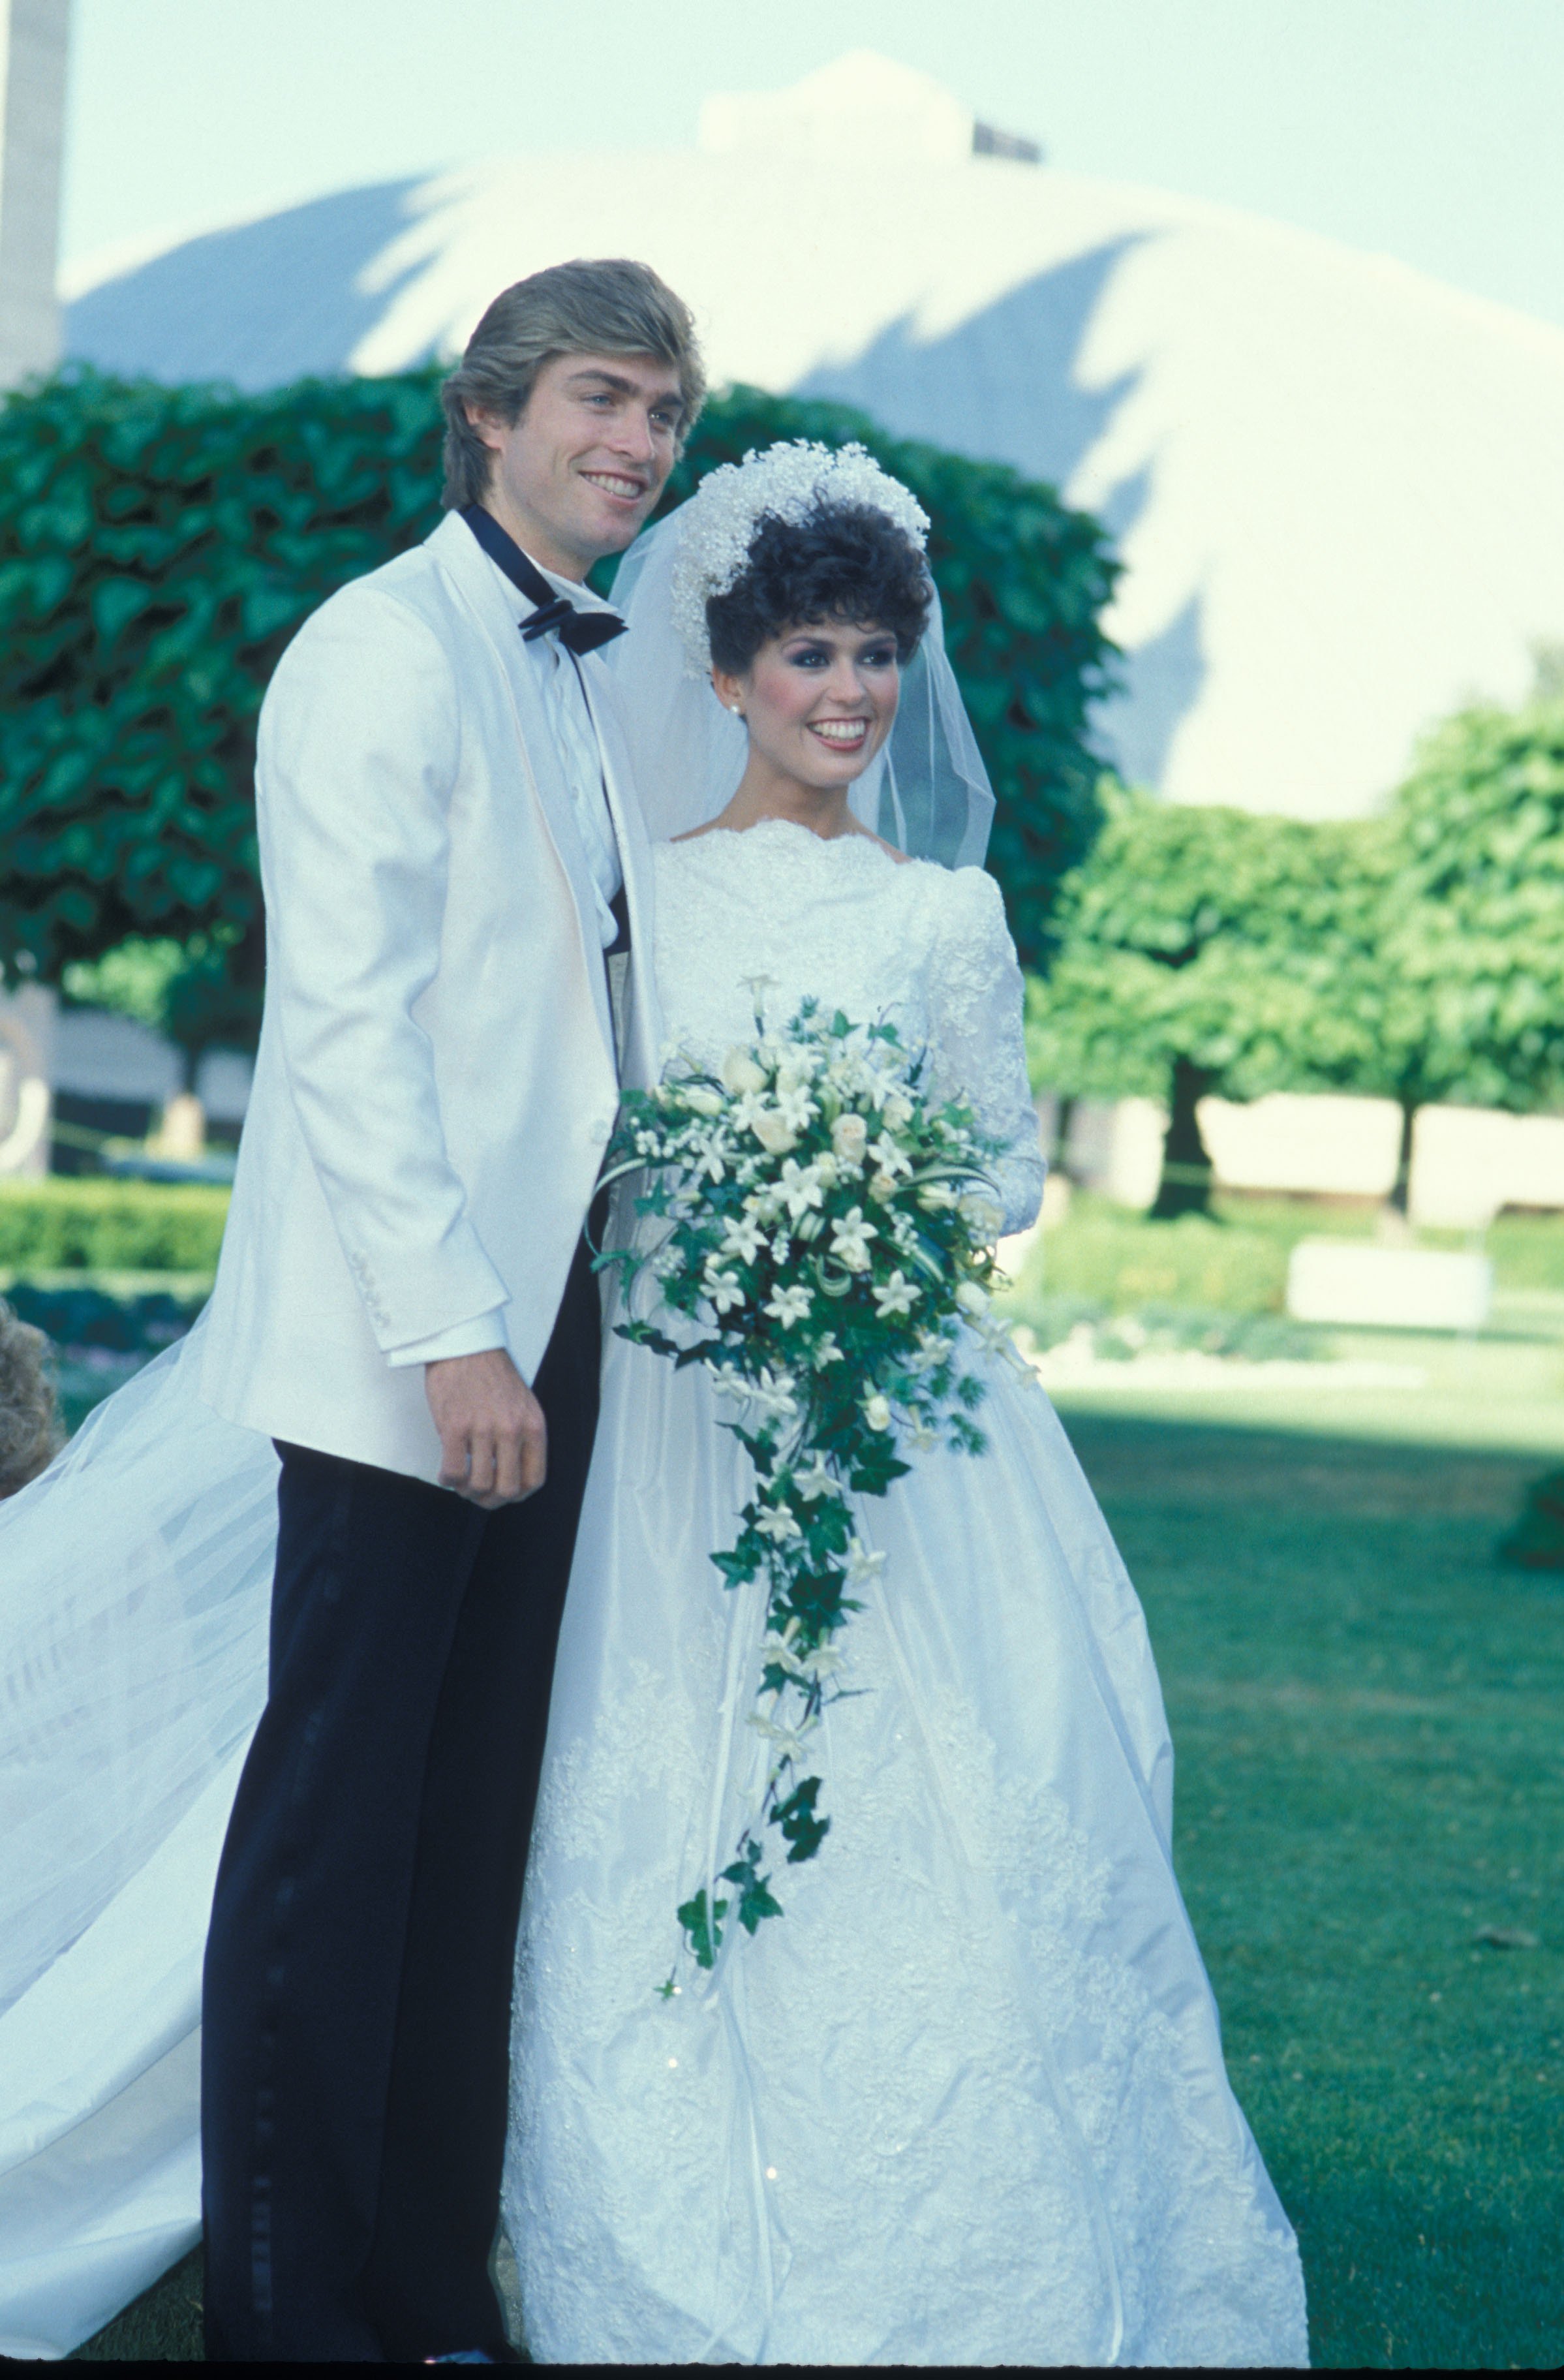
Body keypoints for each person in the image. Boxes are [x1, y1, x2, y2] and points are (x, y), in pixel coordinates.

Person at [497, 442, 1311, 2365]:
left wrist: (868, 1216)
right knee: (663, 1790)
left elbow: (1000, 1170)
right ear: (726, 677)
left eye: (875, 654)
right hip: (686, 1427)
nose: (849, 693)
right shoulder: (644, 906)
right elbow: (582, 1143)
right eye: (808, 657)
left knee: (968, 1793)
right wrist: (729, 1216)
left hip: (897, 1427)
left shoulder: (946, 916)